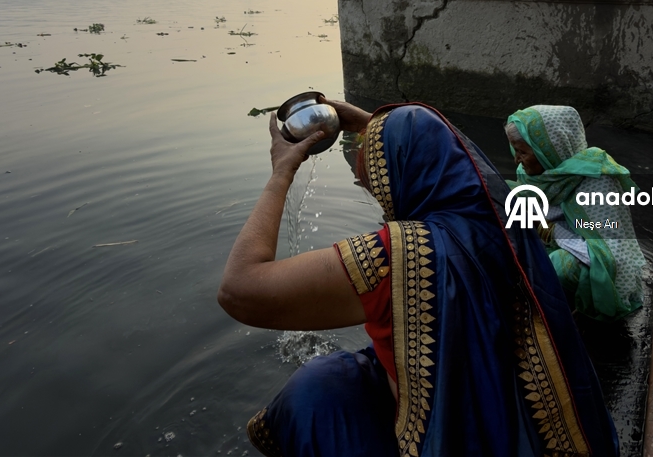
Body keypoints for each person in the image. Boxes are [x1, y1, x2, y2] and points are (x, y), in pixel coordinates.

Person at [221, 100, 620, 457]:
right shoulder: (501, 213)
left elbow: (240, 291)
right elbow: (450, 154)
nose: (366, 181)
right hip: (529, 429)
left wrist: (280, 173)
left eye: (374, 171)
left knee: (315, 391)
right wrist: (370, 123)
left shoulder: (402, 253)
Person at [505, 106, 645, 321]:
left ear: (550, 150)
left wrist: (551, 231)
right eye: (516, 151)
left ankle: (566, 312)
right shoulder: (534, 175)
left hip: (586, 253)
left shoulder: (597, 182)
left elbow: (607, 245)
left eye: (523, 152)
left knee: (559, 267)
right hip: (553, 239)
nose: (517, 160)